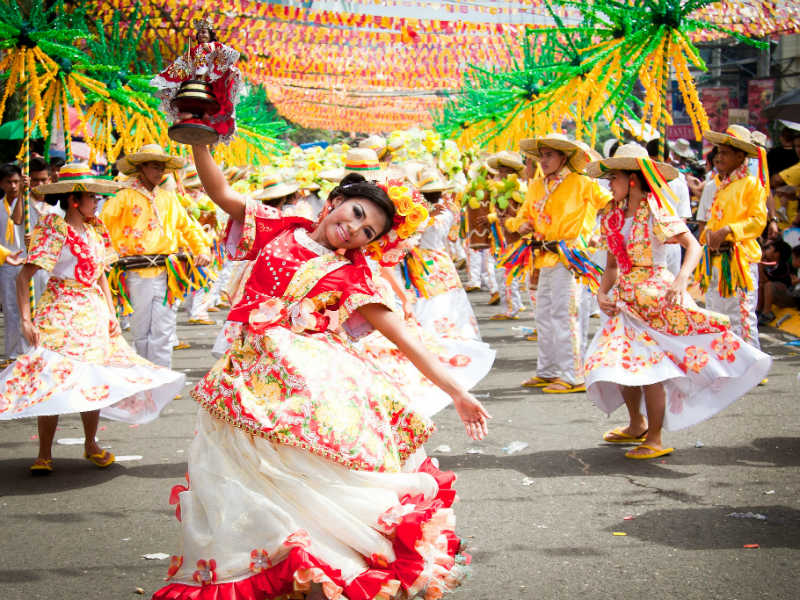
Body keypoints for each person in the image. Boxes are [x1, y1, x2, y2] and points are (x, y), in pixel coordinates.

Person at [153, 144, 489, 599]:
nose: (352, 229)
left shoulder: (354, 276)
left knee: (299, 478)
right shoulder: (279, 226)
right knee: (236, 476)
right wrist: (199, 141)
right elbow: (220, 191)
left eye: (366, 231)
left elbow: (405, 339)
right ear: (332, 202)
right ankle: (269, 560)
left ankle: (314, 562)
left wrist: (456, 391)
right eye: (354, 213)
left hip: (304, 386)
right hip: (241, 379)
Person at [584, 144, 771, 459]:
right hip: (625, 300)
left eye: (613, 177)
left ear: (632, 179)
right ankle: (636, 423)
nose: (608, 184)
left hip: (656, 299)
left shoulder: (656, 210)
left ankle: (654, 437)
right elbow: (614, 264)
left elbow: (693, 246)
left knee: (650, 370)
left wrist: (682, 279)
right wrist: (602, 293)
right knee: (619, 364)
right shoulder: (612, 216)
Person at [0, 164, 184, 473]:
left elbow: (100, 276)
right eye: (91, 197)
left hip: (93, 311)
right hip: (59, 311)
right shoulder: (54, 228)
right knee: (53, 378)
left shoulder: (97, 229)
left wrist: (110, 314)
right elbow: (24, 277)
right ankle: (44, 452)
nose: (97, 202)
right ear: (75, 200)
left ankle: (91, 444)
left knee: (94, 378)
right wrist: (26, 321)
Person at [506, 134, 612, 393]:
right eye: (541, 156)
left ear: (563, 157)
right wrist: (520, 224)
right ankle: (548, 370)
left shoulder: (581, 182)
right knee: (543, 314)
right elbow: (519, 218)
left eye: (549, 155)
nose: (543, 160)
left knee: (565, 315)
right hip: (542, 256)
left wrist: (596, 233)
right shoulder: (536, 186)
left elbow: (611, 203)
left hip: (569, 256)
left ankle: (572, 374)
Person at [101, 144, 211, 368]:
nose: (159, 172)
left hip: (167, 272)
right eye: (154, 167)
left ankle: (163, 383)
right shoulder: (123, 197)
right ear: (141, 167)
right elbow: (102, 226)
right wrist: (105, 255)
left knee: (164, 329)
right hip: (135, 271)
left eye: (162, 168)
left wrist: (201, 249)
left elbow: (187, 227)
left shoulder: (168, 198)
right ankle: (146, 381)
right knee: (141, 330)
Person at [696, 125, 768, 350]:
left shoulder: (752, 184)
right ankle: (726, 364)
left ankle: (750, 367)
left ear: (740, 156)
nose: (719, 157)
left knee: (742, 316)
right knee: (717, 315)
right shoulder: (719, 186)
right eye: (718, 152)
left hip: (739, 262)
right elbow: (711, 222)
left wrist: (728, 230)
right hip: (716, 260)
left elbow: (758, 221)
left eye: (725, 152)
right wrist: (707, 236)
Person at [151, 18, 243, 143]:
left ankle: (204, 119)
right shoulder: (193, 51)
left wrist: (211, 48)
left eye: (204, 32)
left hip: (208, 84)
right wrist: (163, 79)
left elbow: (230, 54)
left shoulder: (215, 47)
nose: (201, 35)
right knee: (189, 101)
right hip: (193, 84)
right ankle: (190, 118)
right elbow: (182, 64)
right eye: (200, 33)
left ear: (210, 35)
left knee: (207, 103)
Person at [485, 150, 527, 320]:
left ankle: (512, 308)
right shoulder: (500, 190)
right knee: (504, 274)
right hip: (503, 239)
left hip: (517, 239)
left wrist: (495, 217)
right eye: (500, 170)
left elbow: (520, 215)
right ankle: (512, 306)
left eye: (505, 170)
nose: (501, 173)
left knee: (507, 274)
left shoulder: (519, 190)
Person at [0, 163, 27, 362]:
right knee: (10, 309)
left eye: (17, 182)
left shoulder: (26, 203)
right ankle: (11, 353)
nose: (14, 186)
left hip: (26, 262)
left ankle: (27, 351)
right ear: (2, 184)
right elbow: (14, 219)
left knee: (27, 309)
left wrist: (25, 193)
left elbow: (18, 220)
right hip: (6, 264)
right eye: (9, 182)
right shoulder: (0, 206)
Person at [758, 239, 794, 325]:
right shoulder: (767, 262)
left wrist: (760, 267)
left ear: (777, 254)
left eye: (769, 248)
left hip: (787, 296)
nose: (766, 251)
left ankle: (767, 313)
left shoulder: (782, 266)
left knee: (768, 285)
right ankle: (758, 310)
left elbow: (766, 280)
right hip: (775, 294)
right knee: (761, 285)